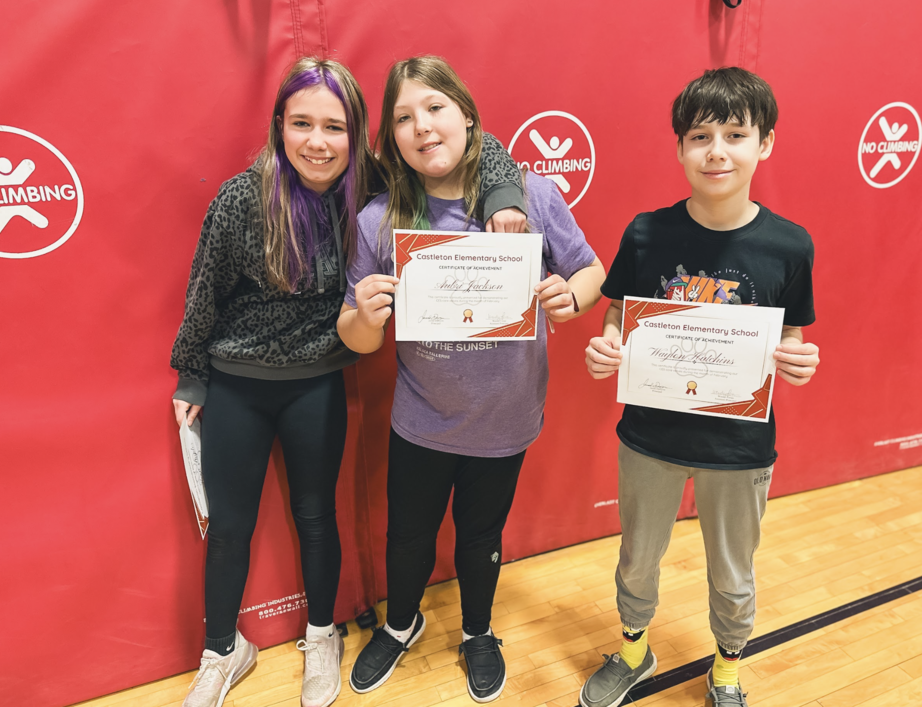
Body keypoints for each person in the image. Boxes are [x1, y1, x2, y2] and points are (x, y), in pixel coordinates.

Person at [170, 57, 529, 707]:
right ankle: (221, 649)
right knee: (228, 524)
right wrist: (192, 372)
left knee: (316, 516)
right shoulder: (240, 198)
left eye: (334, 126)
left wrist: (504, 195)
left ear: (357, 134)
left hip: (317, 378)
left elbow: (478, 144)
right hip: (236, 380)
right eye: (301, 123)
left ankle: (321, 633)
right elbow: (203, 290)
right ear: (279, 126)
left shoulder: (371, 186)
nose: (316, 140)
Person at [337, 55, 605, 703]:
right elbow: (355, 333)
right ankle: (401, 623)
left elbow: (592, 272)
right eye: (403, 116)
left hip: (505, 419)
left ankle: (478, 630)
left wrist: (571, 297)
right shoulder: (379, 219)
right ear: (391, 138)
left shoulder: (531, 196)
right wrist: (366, 315)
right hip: (422, 419)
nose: (422, 126)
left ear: (467, 116)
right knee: (408, 535)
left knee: (482, 535)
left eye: (434, 108)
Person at [579, 67, 821, 707]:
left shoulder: (790, 246)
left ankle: (728, 666)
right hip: (650, 436)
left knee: (733, 573)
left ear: (764, 143)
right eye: (699, 136)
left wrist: (795, 360)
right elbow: (616, 313)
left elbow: (791, 333)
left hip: (739, 449)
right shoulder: (646, 232)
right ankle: (633, 650)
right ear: (680, 147)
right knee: (636, 558)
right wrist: (609, 348)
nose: (716, 151)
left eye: (735, 134)